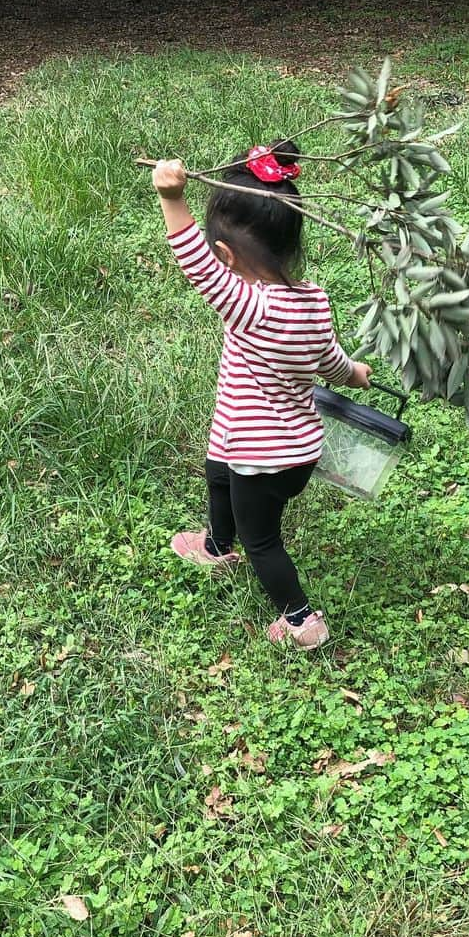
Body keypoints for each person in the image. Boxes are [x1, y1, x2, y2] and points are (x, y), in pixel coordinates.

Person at [153, 141, 372, 651]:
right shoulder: (314, 301)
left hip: (261, 456)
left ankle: (301, 621)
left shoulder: (248, 307)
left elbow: (194, 263)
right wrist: (355, 373)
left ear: (226, 256)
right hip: (286, 447)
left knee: (265, 542)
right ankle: (214, 544)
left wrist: (171, 196)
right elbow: (328, 363)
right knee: (216, 476)